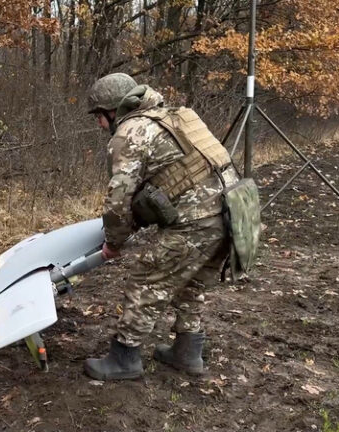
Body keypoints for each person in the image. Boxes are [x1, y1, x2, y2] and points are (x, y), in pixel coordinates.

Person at [84, 73, 245, 380]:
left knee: (146, 280)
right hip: (231, 214)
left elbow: (118, 201)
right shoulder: (175, 116)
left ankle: (124, 358)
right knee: (191, 282)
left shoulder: (130, 133)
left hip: (197, 219)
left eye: (99, 117)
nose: (99, 124)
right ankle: (188, 352)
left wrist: (113, 243)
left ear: (113, 111)